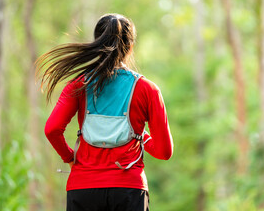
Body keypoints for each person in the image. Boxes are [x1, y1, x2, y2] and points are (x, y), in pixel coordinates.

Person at [36, 13, 173, 211]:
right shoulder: (147, 89)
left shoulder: (79, 84)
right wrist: (142, 136)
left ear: (97, 42)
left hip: (83, 187)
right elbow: (164, 152)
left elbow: (52, 129)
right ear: (131, 47)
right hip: (129, 189)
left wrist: (69, 158)